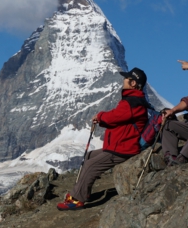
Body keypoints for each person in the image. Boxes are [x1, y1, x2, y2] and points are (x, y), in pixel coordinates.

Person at [57, 67, 149, 211]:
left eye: (126, 78)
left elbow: (115, 116)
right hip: (117, 146)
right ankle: (83, 192)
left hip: (123, 149)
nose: (123, 80)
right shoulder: (132, 101)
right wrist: (102, 119)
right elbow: (118, 118)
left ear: (133, 83)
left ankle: (77, 200)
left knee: (91, 165)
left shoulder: (133, 102)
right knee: (89, 156)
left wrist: (100, 116)